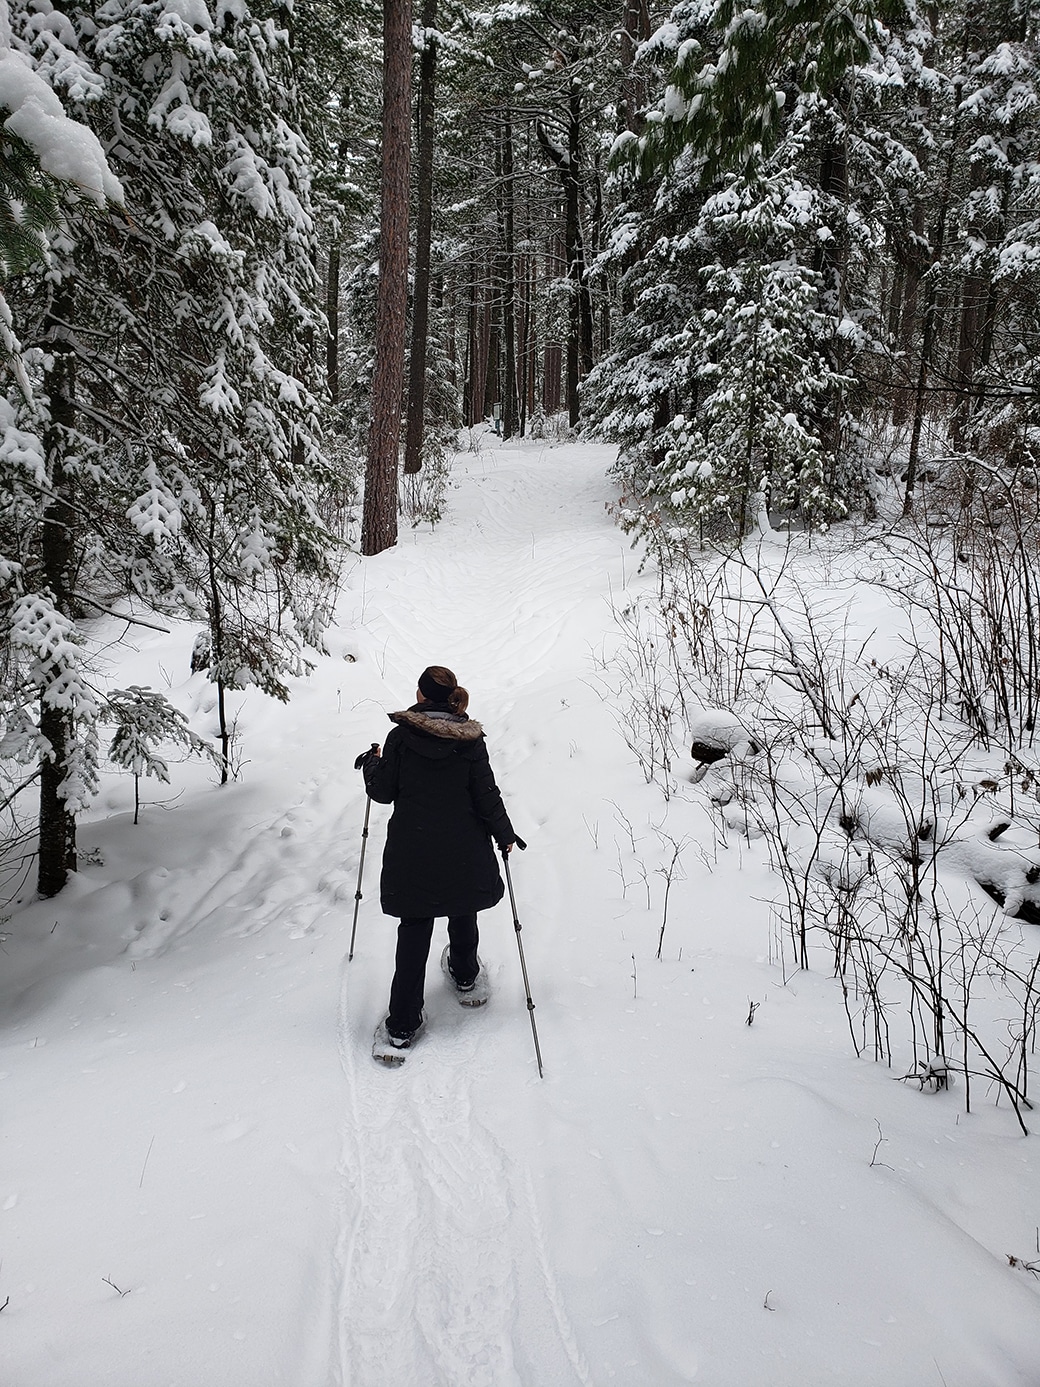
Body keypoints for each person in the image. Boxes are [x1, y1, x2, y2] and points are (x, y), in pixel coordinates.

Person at [359, 665, 517, 1050]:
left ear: (420, 695)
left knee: (415, 926)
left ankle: (402, 1025)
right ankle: (465, 976)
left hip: (414, 849)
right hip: (463, 848)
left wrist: (370, 764)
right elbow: (486, 794)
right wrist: (504, 833)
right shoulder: (470, 741)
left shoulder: (400, 738)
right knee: (463, 907)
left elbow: (382, 791)